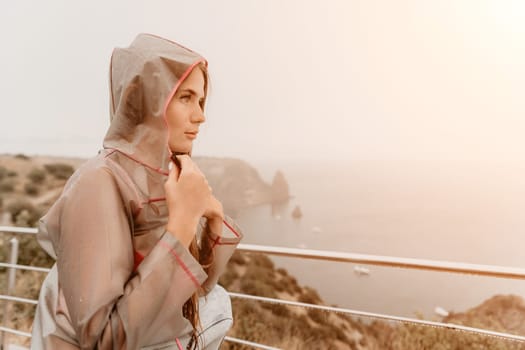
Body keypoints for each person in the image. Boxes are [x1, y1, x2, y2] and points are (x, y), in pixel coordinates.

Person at [31, 33, 243, 350]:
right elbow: (103, 340)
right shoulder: (98, 182)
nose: (200, 115)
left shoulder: (165, 180)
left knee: (219, 302)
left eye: (200, 100)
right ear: (148, 100)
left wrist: (213, 219)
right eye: (185, 98)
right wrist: (183, 222)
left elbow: (190, 292)